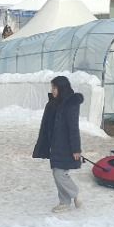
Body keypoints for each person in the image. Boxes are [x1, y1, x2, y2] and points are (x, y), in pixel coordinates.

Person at [32, 76, 84, 213]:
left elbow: (73, 128)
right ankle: (64, 202)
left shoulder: (70, 104)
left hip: (66, 146)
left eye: (55, 88)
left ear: (62, 88)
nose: (52, 90)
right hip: (55, 145)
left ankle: (75, 193)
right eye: (52, 87)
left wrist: (76, 149)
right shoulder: (54, 103)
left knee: (59, 173)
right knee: (58, 172)